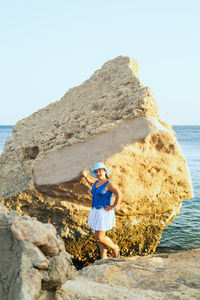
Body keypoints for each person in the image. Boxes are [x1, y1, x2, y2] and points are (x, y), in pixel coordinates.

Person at [81, 162, 121, 260]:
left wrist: (113, 206)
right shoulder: (96, 183)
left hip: (104, 212)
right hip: (95, 211)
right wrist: (86, 176)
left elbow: (119, 194)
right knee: (99, 238)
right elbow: (91, 184)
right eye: (96, 172)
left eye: (100, 171)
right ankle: (103, 257)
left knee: (99, 237)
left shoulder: (109, 183)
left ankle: (115, 248)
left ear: (104, 171)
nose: (98, 173)